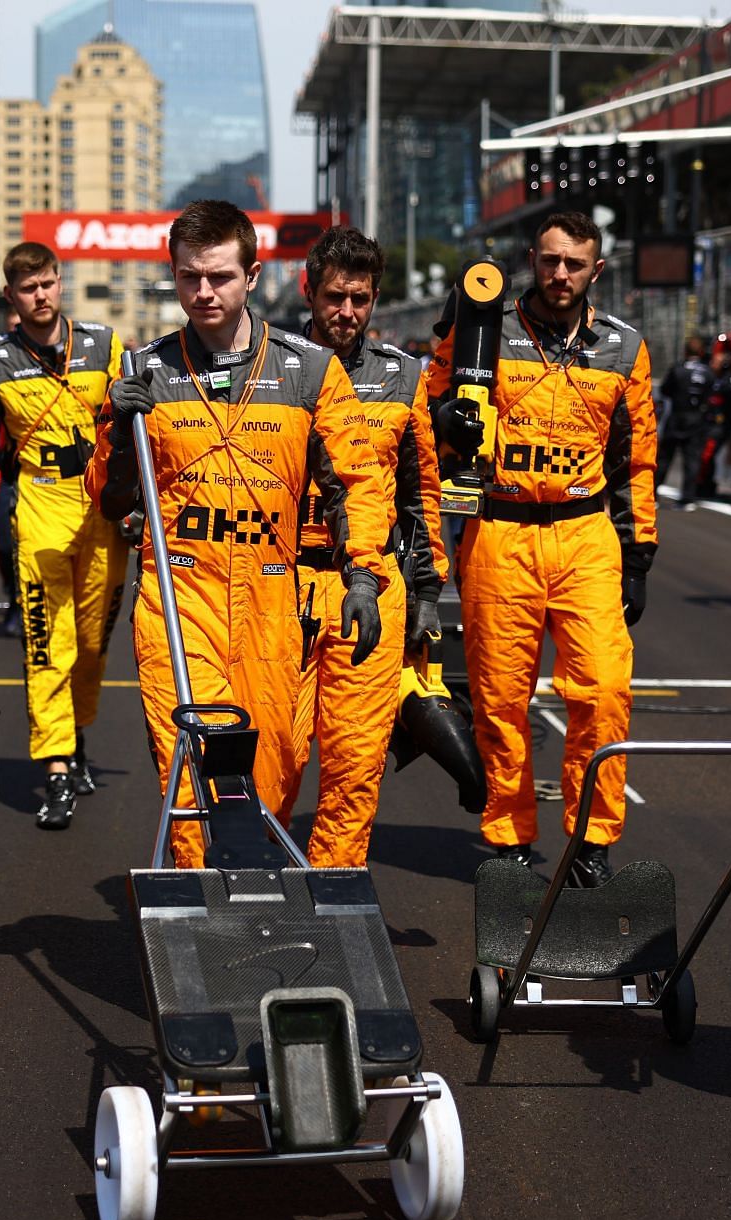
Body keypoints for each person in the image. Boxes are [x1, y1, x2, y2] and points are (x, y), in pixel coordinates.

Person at [86, 199, 391, 870]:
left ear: (251, 276)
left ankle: (254, 897)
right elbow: (111, 502)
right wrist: (113, 428)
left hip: (272, 603)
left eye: (219, 277)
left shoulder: (310, 370)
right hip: (179, 598)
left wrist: (365, 576)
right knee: (191, 760)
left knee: (272, 774)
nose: (203, 292)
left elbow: (357, 484)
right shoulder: (148, 371)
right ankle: (200, 917)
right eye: (189, 276)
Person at [425, 210, 658, 886]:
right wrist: (446, 418)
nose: (560, 275)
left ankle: (592, 839)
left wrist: (638, 552)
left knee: (606, 691)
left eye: (574, 264)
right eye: (550, 261)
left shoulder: (623, 348)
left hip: (586, 533)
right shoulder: (482, 329)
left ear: (596, 269)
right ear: (533, 257)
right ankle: (510, 836)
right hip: (499, 530)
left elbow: (638, 459)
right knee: (501, 700)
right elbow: (428, 413)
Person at [278, 225, 449, 866]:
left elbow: (420, 494)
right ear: (309, 291)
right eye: (334, 298)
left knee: (355, 763)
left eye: (360, 299)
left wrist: (430, 593)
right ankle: (265, 885)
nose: (347, 313)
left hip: (372, 589)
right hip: (284, 583)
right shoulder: (273, 368)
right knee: (279, 756)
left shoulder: (403, 378)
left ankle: (333, 891)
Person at [0, 242, 126, 830]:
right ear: (12, 296)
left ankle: (74, 735)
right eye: (29, 288)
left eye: (49, 283)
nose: (41, 295)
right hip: (41, 506)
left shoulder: (104, 344)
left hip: (103, 511)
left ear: (60, 282)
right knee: (48, 644)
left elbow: (136, 428)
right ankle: (55, 769)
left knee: (93, 643)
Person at [656, 334, 714, 509]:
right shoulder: (708, 371)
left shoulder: (677, 368)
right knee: (692, 459)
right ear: (702, 351)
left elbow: (665, 390)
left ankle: (652, 495)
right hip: (697, 419)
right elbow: (711, 395)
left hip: (677, 417)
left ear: (685, 350)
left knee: (664, 457)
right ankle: (688, 498)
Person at [700, 341, 731, 502]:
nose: (712, 364)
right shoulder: (712, 377)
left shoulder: (730, 381)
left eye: (716, 362)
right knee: (705, 455)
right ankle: (704, 484)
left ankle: (706, 485)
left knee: (708, 454)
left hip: (721, 425)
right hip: (709, 423)